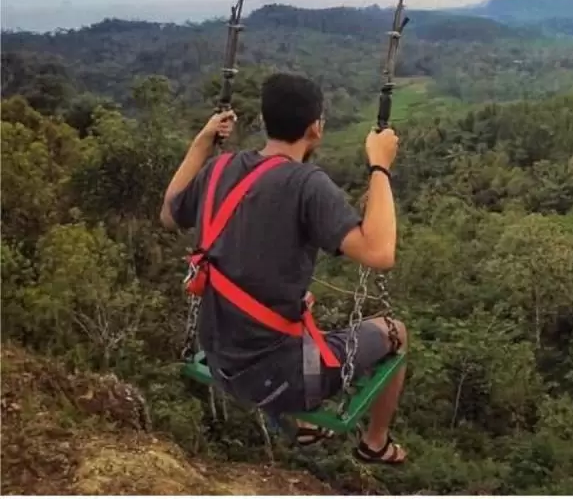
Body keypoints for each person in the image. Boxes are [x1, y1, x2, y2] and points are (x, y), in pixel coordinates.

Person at [160, 72, 408, 465]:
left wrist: (202, 140)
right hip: (274, 376)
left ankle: (303, 427)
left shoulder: (220, 168)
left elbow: (169, 214)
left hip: (219, 356)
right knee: (396, 333)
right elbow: (380, 253)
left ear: (264, 120)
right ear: (316, 128)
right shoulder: (308, 184)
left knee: (300, 307)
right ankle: (375, 442)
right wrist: (380, 166)